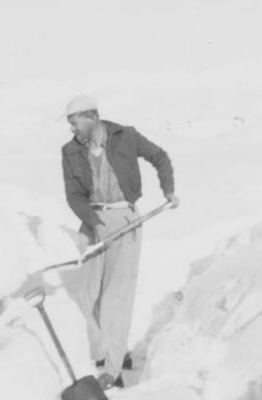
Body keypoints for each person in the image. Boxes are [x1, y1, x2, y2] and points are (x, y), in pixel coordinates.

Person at [60, 95, 179, 389]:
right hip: (91, 221)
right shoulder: (70, 151)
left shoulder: (125, 136)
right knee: (89, 295)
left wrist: (168, 189)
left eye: (75, 123)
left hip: (124, 220)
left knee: (116, 296)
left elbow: (160, 157)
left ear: (92, 117)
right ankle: (112, 349)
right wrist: (94, 222)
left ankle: (111, 370)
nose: (72, 129)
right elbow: (74, 195)